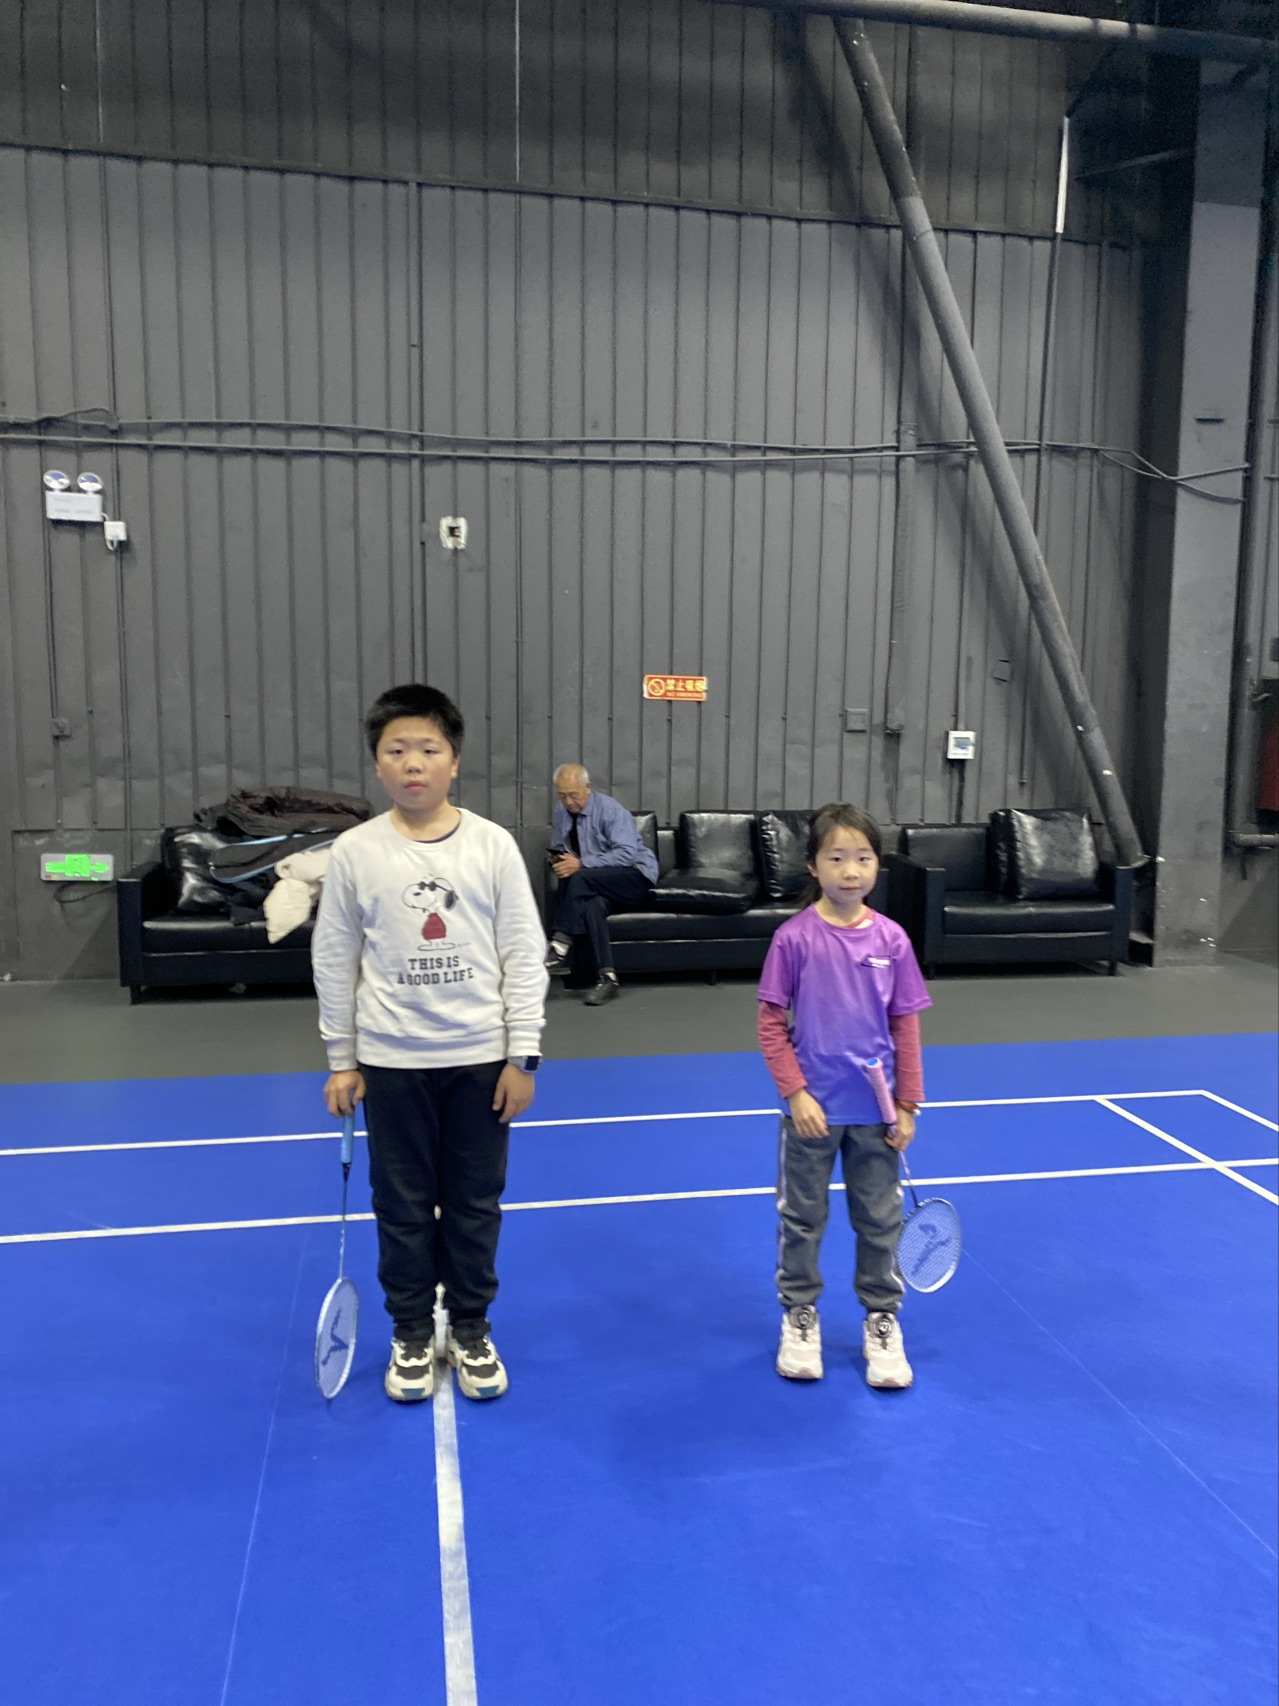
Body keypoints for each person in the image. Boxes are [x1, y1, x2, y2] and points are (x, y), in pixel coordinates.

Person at [311, 685, 548, 1405]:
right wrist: (341, 1058)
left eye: (428, 749)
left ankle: (470, 1327)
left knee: (475, 1204)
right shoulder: (355, 851)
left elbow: (523, 952)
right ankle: (412, 1330)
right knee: (402, 1205)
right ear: (377, 764)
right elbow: (334, 956)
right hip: (391, 1062)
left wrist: (522, 1055)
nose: (413, 763)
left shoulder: (491, 845)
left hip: (480, 1060)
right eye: (396, 750)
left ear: (454, 761)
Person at [757, 803, 931, 1389]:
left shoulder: (892, 939)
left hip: (876, 1115)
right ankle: (799, 1315)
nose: (850, 870)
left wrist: (908, 1103)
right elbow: (770, 1024)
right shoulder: (793, 939)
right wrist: (795, 1093)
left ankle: (881, 1317)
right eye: (836, 858)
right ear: (813, 865)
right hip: (811, 1114)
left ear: (877, 865)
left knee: (880, 1221)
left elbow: (906, 1025)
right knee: (801, 1219)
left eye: (862, 858)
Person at [544, 763, 658, 1005]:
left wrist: (581, 863)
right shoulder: (561, 810)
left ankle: (560, 944)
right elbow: (559, 846)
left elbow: (626, 854)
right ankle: (608, 978)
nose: (568, 802)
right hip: (596, 883)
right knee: (592, 904)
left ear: (587, 787)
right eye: (562, 795)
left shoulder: (610, 810)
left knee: (579, 876)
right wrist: (558, 860)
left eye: (573, 795)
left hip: (634, 877)